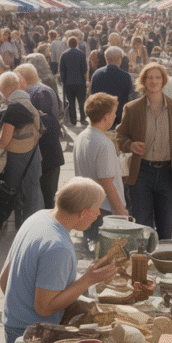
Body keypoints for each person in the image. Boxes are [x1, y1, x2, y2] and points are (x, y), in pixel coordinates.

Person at [0, 177, 117, 343]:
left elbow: (4, 281)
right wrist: (87, 280)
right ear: (83, 213)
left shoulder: (38, 217)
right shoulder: (58, 247)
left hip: (14, 324)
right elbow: (44, 309)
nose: (98, 215)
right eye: (96, 210)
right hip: (33, 336)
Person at [116, 63, 172, 240]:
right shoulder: (132, 108)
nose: (154, 81)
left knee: (165, 226)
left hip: (167, 173)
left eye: (158, 77)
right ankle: (144, 263)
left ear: (163, 81)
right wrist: (130, 145)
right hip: (141, 173)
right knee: (143, 225)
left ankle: (163, 263)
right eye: (150, 78)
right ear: (144, 81)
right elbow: (120, 137)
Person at [0, 71, 43, 229]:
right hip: (33, 153)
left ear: (5, 90)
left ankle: (25, 228)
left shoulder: (13, 108)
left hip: (18, 157)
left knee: (15, 194)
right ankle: (35, 226)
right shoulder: (28, 101)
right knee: (33, 191)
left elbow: (5, 140)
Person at [74, 93, 128, 246]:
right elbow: (106, 182)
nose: (114, 116)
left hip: (88, 205)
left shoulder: (82, 136)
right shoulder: (104, 143)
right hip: (104, 212)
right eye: (113, 113)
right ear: (105, 116)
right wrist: (120, 211)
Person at [17, 63, 64, 209]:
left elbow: (47, 125)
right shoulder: (39, 91)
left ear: (23, 79)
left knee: (48, 203)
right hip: (44, 157)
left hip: (47, 158)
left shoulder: (40, 92)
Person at [89, 46, 134, 129]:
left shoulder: (97, 74)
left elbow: (92, 95)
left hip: (100, 116)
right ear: (119, 58)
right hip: (119, 116)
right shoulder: (125, 76)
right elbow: (129, 96)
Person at [59, 36, 88, 125]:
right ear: (76, 43)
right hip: (80, 82)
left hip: (68, 82)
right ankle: (82, 118)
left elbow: (62, 70)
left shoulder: (64, 55)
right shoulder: (81, 54)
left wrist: (63, 81)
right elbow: (85, 69)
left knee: (71, 102)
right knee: (81, 102)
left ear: (68, 44)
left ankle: (73, 119)